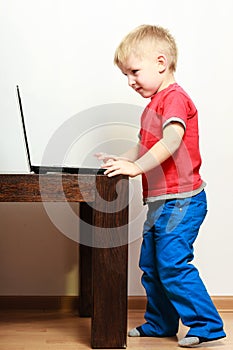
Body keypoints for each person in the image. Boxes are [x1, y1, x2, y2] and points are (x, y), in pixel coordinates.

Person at [95, 24, 226, 348]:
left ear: (161, 62)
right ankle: (160, 323)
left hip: (182, 201)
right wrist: (119, 161)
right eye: (126, 75)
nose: (130, 81)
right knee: (151, 266)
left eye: (135, 72)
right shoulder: (152, 106)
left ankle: (207, 326)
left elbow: (172, 139)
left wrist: (136, 167)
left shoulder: (175, 99)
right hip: (159, 202)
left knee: (172, 263)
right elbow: (143, 148)